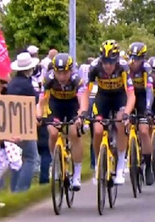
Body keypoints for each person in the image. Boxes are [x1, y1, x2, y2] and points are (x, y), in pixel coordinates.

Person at [86, 40, 135, 185]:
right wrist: (83, 110)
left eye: (111, 62)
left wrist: (127, 112)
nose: (108, 66)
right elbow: (86, 92)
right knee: (98, 129)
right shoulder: (94, 67)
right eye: (105, 62)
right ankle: (97, 164)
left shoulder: (123, 67)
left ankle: (120, 166)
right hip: (103, 97)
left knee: (120, 122)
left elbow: (131, 95)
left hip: (120, 97)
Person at [36, 53, 88, 190]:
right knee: (52, 132)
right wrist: (38, 117)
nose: (62, 77)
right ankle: (56, 162)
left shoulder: (77, 80)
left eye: (65, 72)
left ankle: (76, 174)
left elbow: (82, 99)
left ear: (71, 70)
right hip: (56, 105)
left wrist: (81, 115)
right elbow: (41, 102)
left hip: (72, 106)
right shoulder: (48, 79)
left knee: (73, 132)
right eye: (59, 73)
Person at [7, 52, 40, 192]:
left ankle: (14, 189)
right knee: (31, 157)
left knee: (17, 158)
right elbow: (34, 101)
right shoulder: (27, 84)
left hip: (11, 122)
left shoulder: (13, 83)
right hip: (24, 122)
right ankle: (22, 189)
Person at [127, 42, 154, 185]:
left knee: (144, 131)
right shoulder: (125, 68)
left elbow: (149, 90)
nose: (135, 62)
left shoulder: (146, 69)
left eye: (138, 59)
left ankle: (148, 166)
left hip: (143, 97)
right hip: (128, 96)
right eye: (132, 58)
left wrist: (148, 109)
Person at [78, 57, 96, 169]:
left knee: (95, 135)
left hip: (95, 103)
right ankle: (94, 162)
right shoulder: (90, 82)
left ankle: (93, 163)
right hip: (92, 103)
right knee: (96, 133)